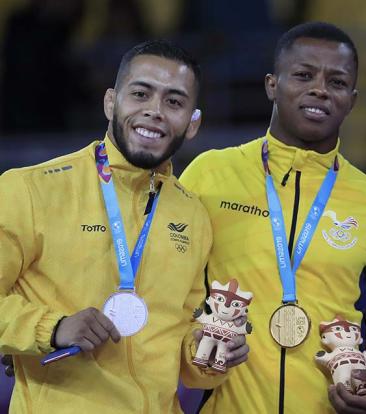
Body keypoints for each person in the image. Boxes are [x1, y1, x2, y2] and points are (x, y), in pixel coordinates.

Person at [0, 40, 248, 413]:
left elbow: (186, 347)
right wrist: (52, 327)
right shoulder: (31, 189)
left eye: (174, 102)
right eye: (141, 94)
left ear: (193, 124)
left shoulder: (191, 213)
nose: (155, 112)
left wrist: (211, 352)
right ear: (110, 102)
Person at [179, 22, 366, 414]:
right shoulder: (209, 175)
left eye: (336, 82)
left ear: (352, 99)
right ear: (272, 84)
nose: (319, 88)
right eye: (303, 75)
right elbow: (172, 292)